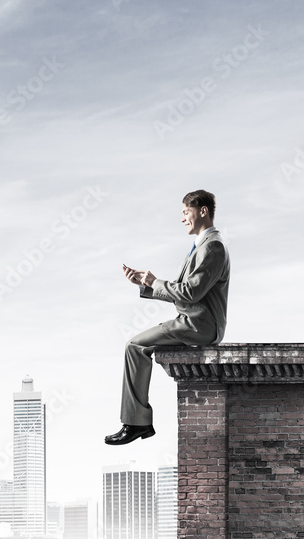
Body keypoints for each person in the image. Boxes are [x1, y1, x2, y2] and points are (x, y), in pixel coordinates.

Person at [105, 190, 230, 446]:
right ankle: (137, 421)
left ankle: (137, 423)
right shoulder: (202, 246)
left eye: (186, 212)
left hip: (200, 325)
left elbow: (191, 293)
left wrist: (156, 282)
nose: (183, 218)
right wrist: (147, 285)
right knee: (135, 345)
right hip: (194, 321)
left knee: (135, 346)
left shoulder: (213, 247)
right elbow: (186, 293)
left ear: (202, 211)